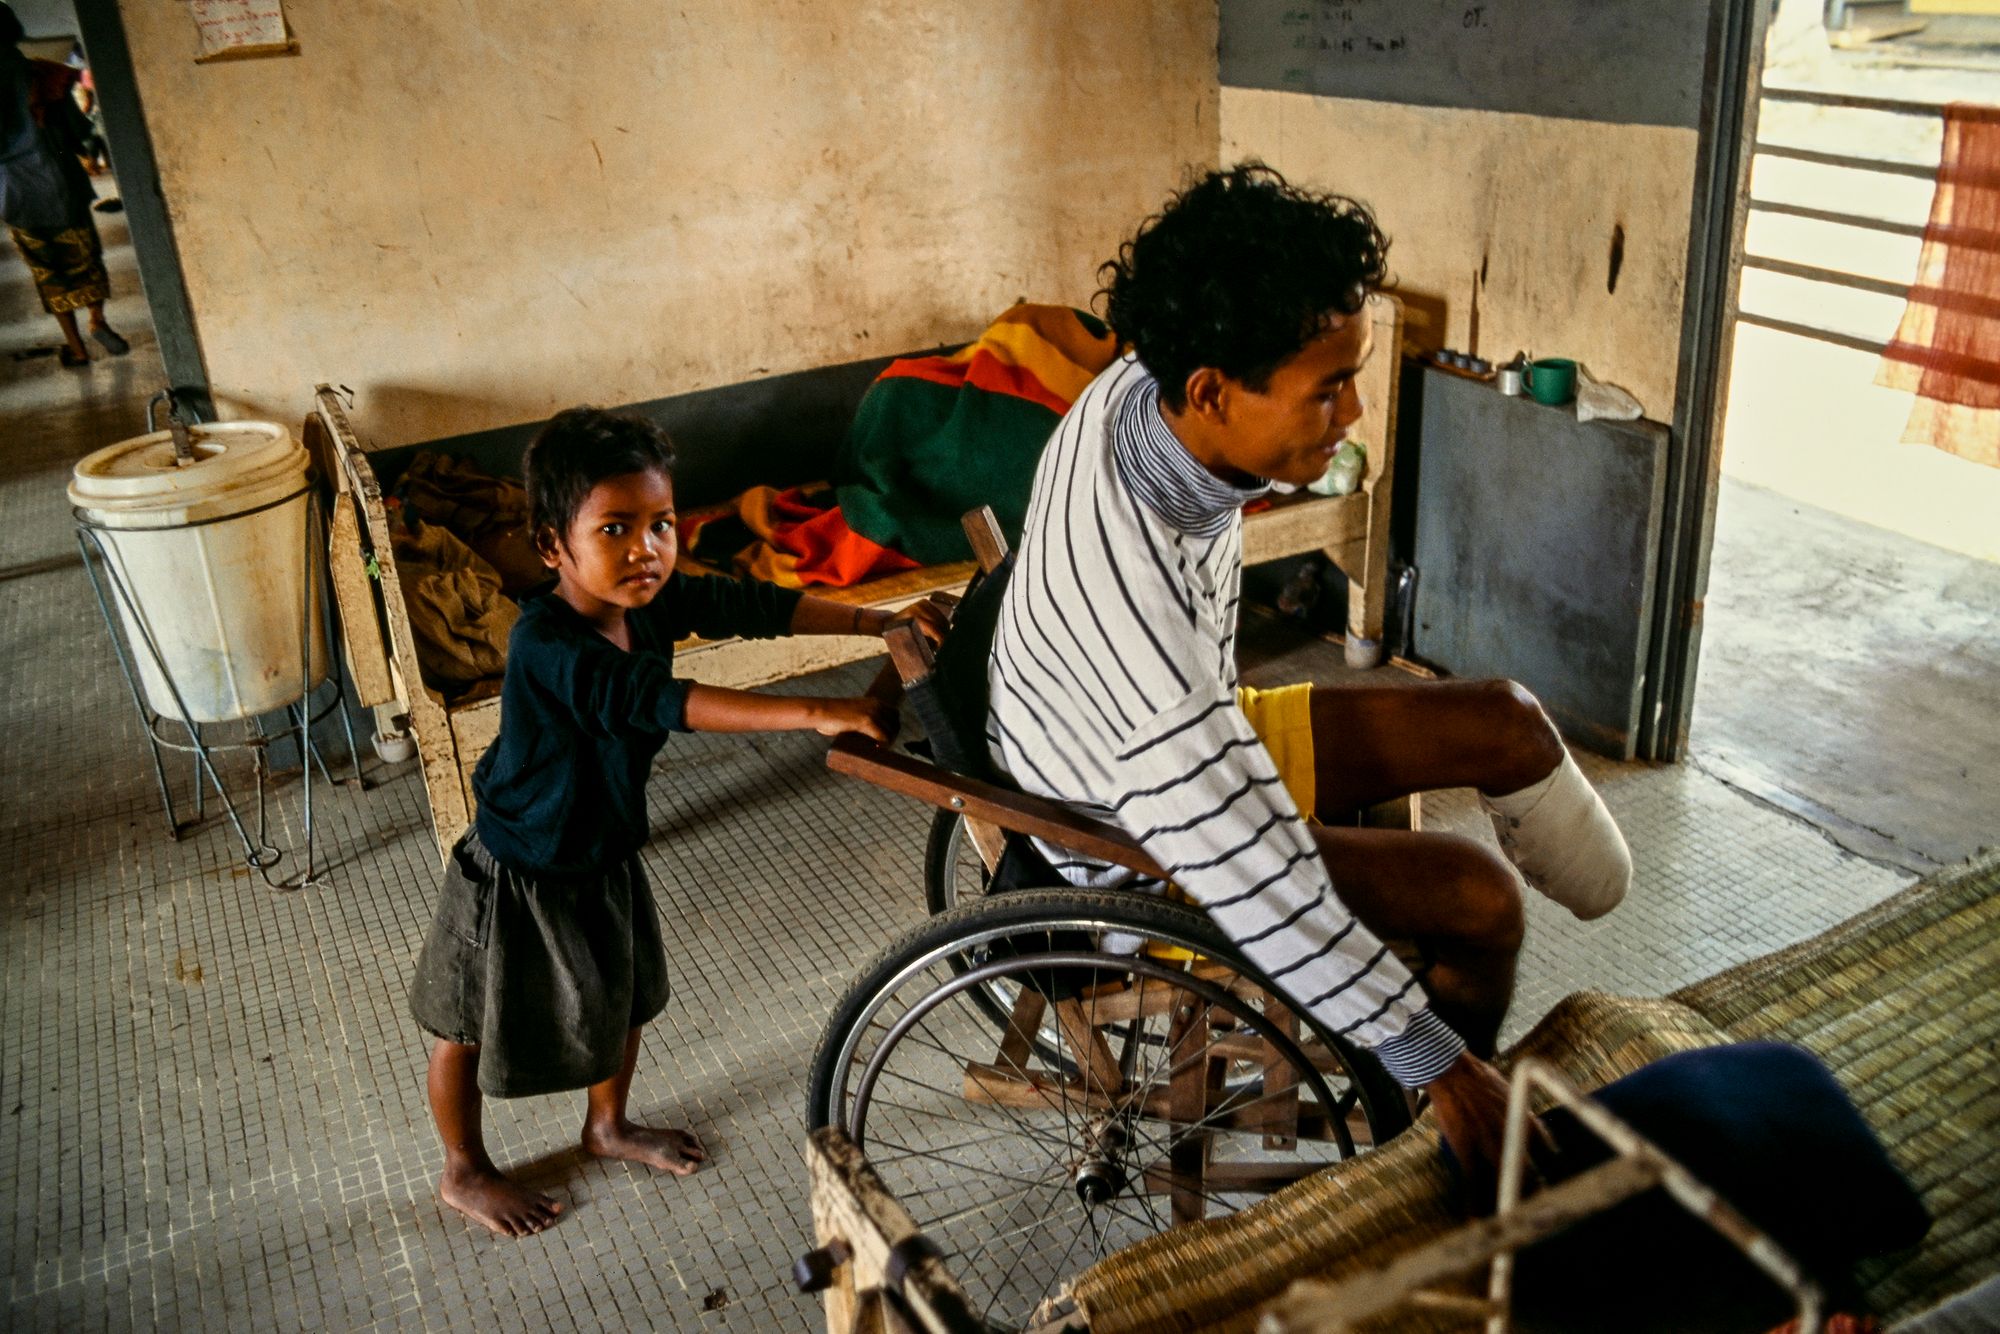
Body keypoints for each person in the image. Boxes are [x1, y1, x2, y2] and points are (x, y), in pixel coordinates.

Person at [986, 163, 1632, 1202]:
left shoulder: (1139, 392)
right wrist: (1436, 1057)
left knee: (1505, 720)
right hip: (1129, 840)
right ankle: (1427, 1144)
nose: (1353, 411)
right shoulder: (1140, 645)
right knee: (1478, 900)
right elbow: (1238, 860)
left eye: (1352, 375)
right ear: (1209, 391)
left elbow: (1206, 749)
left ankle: (1441, 1025)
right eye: (1325, 387)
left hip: (1184, 741)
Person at [409, 407, 946, 1237]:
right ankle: (464, 1169)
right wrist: (819, 709)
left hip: (604, 848)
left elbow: (751, 604)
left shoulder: (650, 602)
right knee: (466, 1027)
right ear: (553, 546)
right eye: (615, 529)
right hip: (518, 865)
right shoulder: (547, 644)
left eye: (661, 524)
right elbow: (664, 703)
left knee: (625, 1001)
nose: (646, 549)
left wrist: (876, 621)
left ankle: (607, 1126)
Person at [0, 4, 127, 366]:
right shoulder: (43, 74)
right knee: (85, 256)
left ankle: (76, 348)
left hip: (15, 191)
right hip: (61, 183)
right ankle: (97, 320)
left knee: (48, 270)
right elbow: (80, 133)